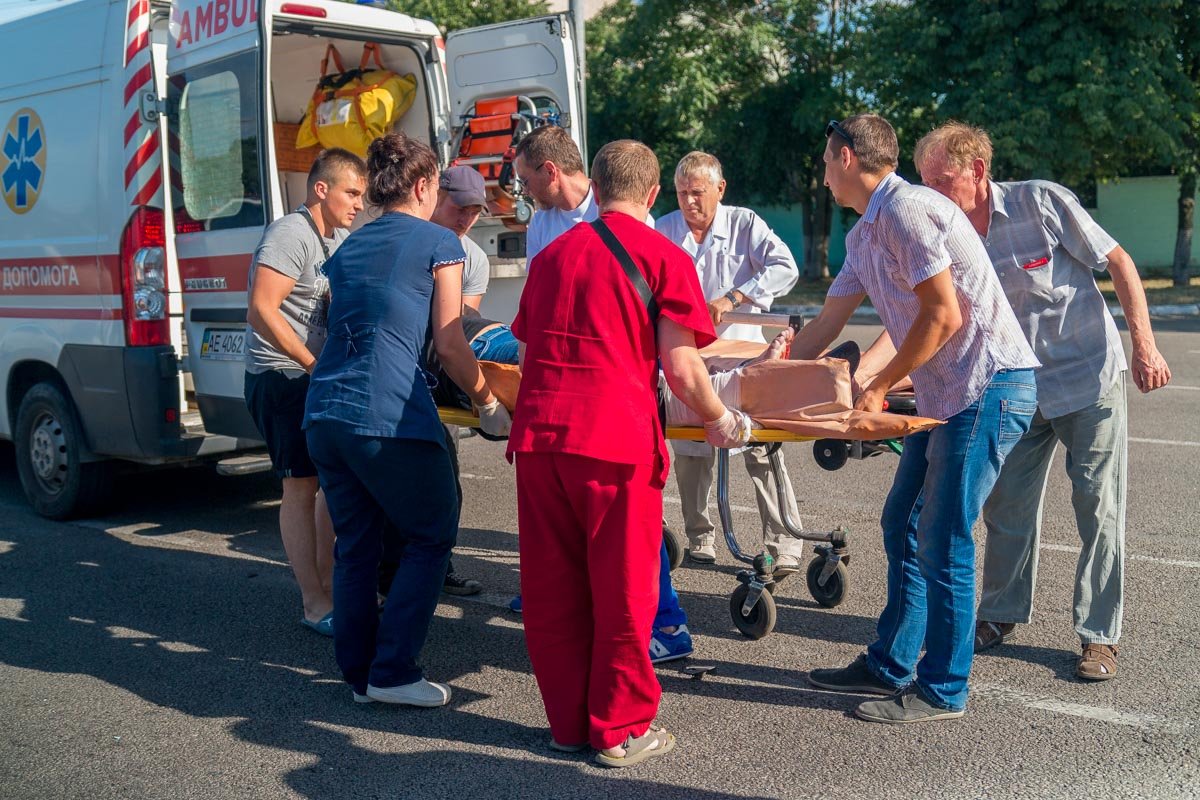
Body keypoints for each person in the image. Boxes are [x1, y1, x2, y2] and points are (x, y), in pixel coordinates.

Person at [508, 138, 751, 764]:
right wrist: (722, 419)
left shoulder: (553, 253)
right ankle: (618, 729)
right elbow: (682, 366)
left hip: (539, 439)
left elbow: (530, 349)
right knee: (624, 590)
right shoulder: (663, 256)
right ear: (651, 195)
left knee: (553, 587)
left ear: (598, 183)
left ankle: (567, 723)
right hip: (611, 443)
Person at [795, 115, 1040, 724]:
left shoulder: (910, 211)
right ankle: (891, 662)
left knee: (942, 535)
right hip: (946, 395)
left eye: (827, 162)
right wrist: (764, 368)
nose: (823, 176)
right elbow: (827, 325)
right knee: (901, 519)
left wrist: (876, 384)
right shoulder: (864, 235)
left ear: (847, 158)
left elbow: (942, 316)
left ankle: (943, 688)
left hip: (990, 384)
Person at [914, 122, 1173, 681]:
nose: (930, 193)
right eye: (924, 181)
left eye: (941, 179)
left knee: (1098, 509)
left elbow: (1121, 263)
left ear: (977, 171)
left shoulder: (1041, 202)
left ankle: (1099, 637)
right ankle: (1001, 614)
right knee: (1005, 507)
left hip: (1088, 380)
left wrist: (1144, 345)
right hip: (1019, 386)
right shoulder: (947, 235)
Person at [302, 133, 510, 707]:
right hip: (384, 414)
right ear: (423, 186)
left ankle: (360, 674)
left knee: (358, 545)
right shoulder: (440, 241)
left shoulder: (347, 247)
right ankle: (392, 672)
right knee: (431, 533)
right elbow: (449, 340)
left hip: (325, 413)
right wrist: (488, 404)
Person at [513, 125, 694, 664]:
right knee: (588, 544)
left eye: (526, 179)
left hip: (618, 402)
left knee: (629, 542)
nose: (522, 190)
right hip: (567, 403)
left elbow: (668, 340)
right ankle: (600, 654)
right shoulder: (542, 228)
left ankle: (663, 625)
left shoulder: (633, 224)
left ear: (559, 173)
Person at [657, 152, 803, 567]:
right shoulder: (664, 228)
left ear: (720, 189)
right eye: (682, 193)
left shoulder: (745, 223)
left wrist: (735, 296)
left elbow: (785, 266)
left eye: (697, 193)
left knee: (761, 446)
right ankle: (698, 535)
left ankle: (784, 543)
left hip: (743, 354)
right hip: (690, 358)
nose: (689, 202)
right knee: (689, 447)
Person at [244, 147, 366, 637]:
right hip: (281, 376)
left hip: (311, 376)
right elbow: (261, 309)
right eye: (351, 193)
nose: (359, 203)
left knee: (326, 484)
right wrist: (314, 363)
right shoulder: (290, 233)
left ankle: (332, 591)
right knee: (299, 487)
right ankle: (314, 603)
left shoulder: (332, 240)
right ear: (322, 189)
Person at [427, 164, 494, 597]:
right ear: (434, 194)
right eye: (459, 206)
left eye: (475, 210)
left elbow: (459, 327)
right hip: (400, 372)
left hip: (439, 373)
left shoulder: (475, 257)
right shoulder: (409, 237)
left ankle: (440, 566)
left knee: (444, 479)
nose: (467, 217)